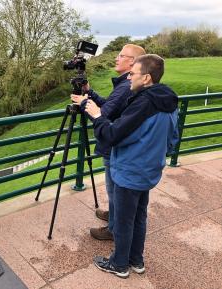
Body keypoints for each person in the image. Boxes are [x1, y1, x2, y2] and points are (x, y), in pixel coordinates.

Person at [85, 54, 178, 278]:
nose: (129, 78)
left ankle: (119, 264)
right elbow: (172, 138)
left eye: (133, 74)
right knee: (139, 217)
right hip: (148, 170)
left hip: (130, 171)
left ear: (146, 78)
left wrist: (97, 116)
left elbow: (112, 135)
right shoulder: (167, 99)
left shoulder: (143, 103)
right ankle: (136, 260)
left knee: (125, 221)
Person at [71, 44, 146, 241]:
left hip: (114, 145)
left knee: (114, 190)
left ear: (132, 62)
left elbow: (102, 115)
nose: (116, 58)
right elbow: (110, 106)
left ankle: (113, 228)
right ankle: (113, 216)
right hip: (118, 144)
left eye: (121, 56)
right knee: (114, 190)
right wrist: (90, 92)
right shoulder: (124, 85)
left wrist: (84, 103)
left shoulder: (124, 87)